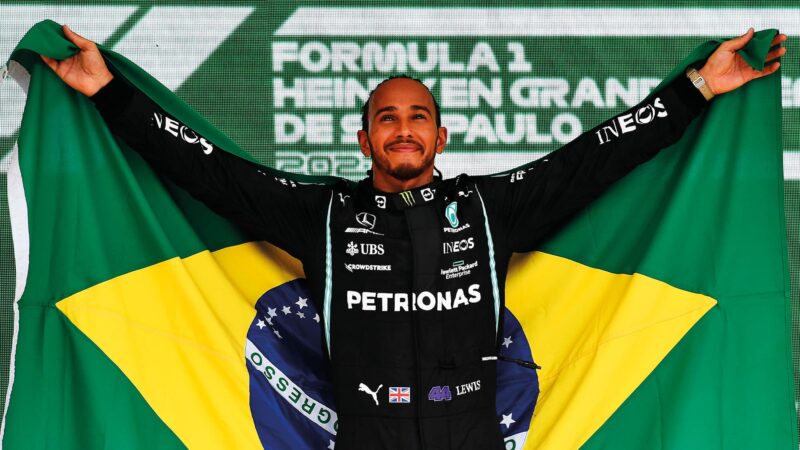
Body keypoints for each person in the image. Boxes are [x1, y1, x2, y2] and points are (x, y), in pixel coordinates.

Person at [43, 25, 785, 450]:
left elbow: (596, 158)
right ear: (364, 138)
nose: (404, 129)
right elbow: (202, 168)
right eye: (389, 120)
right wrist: (107, 91)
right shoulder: (321, 213)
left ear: (441, 134)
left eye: (418, 117)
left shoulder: (490, 208)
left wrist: (696, 90)